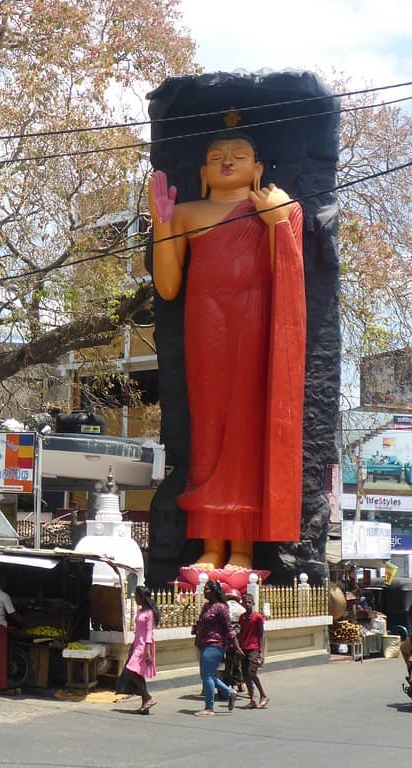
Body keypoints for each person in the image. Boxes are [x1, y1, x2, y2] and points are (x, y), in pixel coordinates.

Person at [149, 132, 305, 570]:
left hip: (254, 325)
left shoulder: (276, 208)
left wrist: (277, 220)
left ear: (258, 169)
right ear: (202, 173)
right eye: (216, 157)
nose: (227, 162)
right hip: (207, 325)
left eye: (240, 156)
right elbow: (167, 286)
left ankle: (242, 549)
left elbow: (285, 275)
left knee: (246, 431)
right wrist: (161, 224)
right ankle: (211, 545)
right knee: (209, 430)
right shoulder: (185, 213)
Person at [193, 579, 241, 716]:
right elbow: (201, 623)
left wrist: (236, 646)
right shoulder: (206, 606)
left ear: (214, 591)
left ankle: (209, 707)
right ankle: (230, 692)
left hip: (216, 644)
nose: (204, 592)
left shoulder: (221, 607)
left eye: (207, 589)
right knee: (206, 675)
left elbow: (229, 628)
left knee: (207, 675)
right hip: (204, 643)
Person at [123, 585, 159, 714]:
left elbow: (149, 632)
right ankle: (145, 703)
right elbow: (138, 631)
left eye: (138, 596)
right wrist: (133, 645)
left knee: (130, 670)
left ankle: (147, 696)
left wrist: (148, 651)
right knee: (137, 672)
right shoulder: (140, 612)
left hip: (145, 646)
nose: (136, 598)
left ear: (143, 597)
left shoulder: (149, 613)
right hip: (138, 643)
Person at [238, 592, 269, 708]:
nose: (247, 605)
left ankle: (263, 694)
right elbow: (241, 633)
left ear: (253, 603)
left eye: (249, 602)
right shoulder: (242, 618)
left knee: (252, 672)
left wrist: (262, 651)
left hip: (254, 648)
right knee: (245, 675)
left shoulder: (257, 617)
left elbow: (262, 634)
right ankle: (252, 699)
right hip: (244, 648)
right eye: (245, 602)